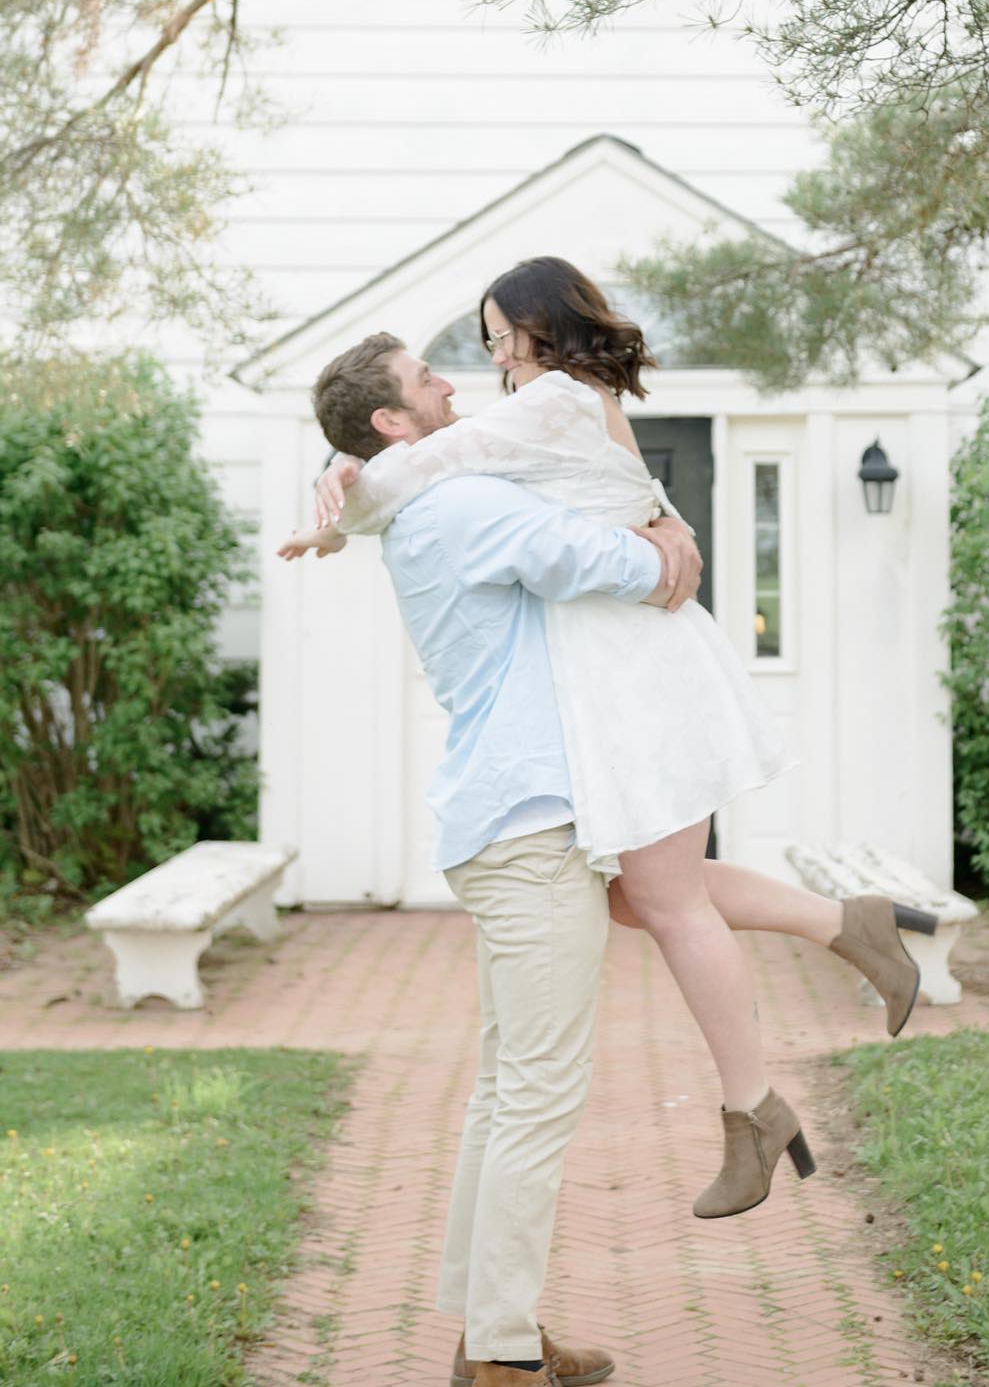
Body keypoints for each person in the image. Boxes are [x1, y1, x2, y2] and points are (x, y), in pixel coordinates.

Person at [284, 263, 936, 1222]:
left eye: (501, 336)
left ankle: (753, 1111)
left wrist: (342, 503)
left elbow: (420, 467)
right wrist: (341, 469)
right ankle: (848, 927)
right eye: (476, 347)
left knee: (665, 902)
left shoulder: (548, 399)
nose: (488, 360)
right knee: (638, 898)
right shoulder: (542, 403)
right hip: (616, 665)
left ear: (544, 332)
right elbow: (429, 462)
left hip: (639, 662)